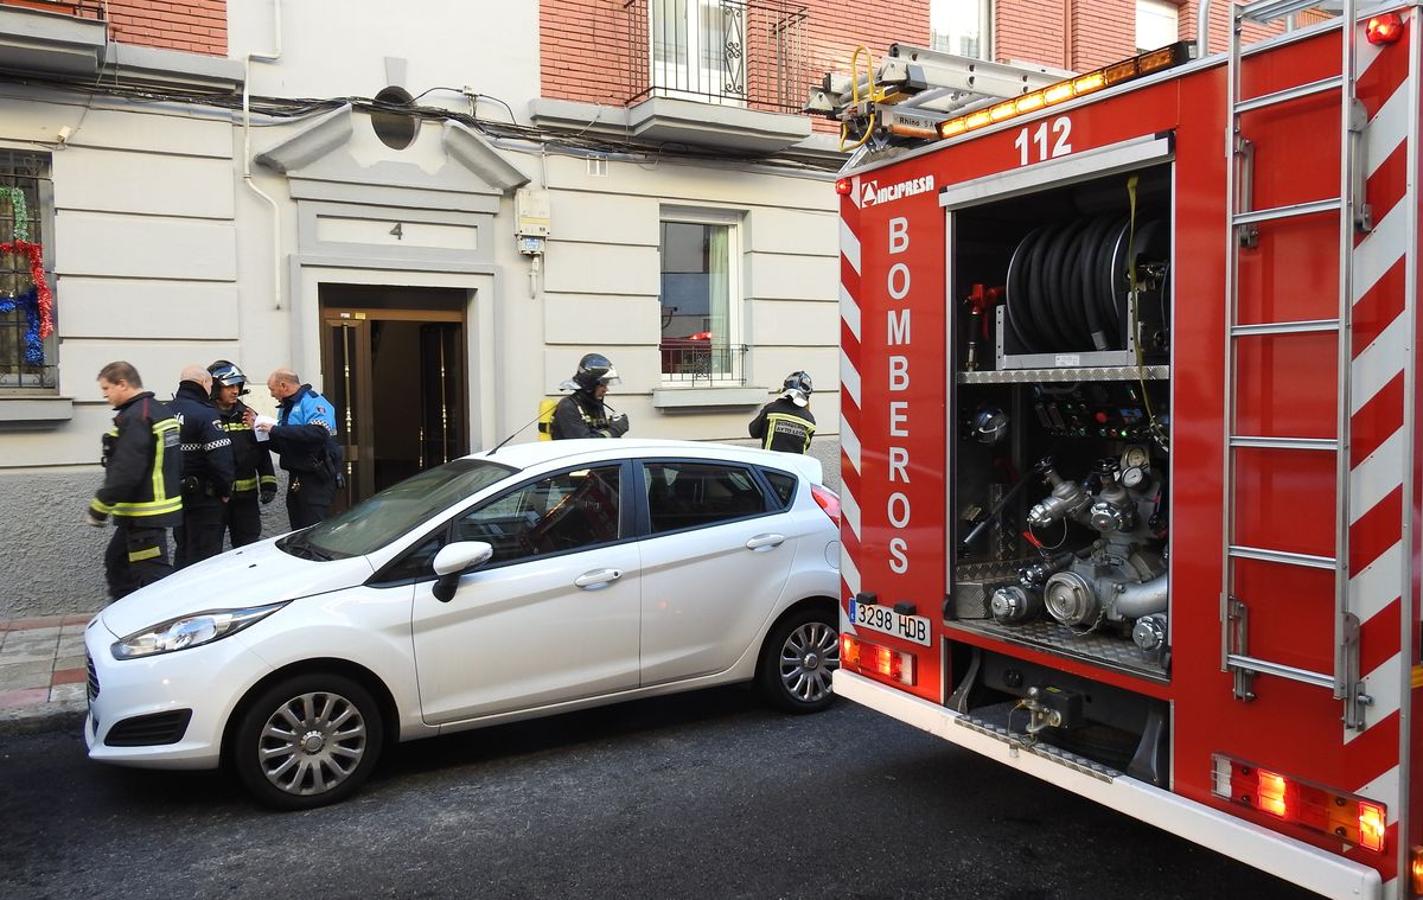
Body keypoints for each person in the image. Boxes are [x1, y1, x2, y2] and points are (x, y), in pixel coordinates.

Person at [86, 361, 182, 600]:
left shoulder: (137, 416)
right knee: (117, 563)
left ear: (123, 384)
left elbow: (126, 469)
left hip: (144, 513)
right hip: (147, 511)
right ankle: (122, 619)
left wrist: (99, 507)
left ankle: (167, 622)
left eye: (107, 389)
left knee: (151, 576)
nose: (105, 395)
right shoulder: (159, 410)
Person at [257, 368, 340, 529]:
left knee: (314, 530)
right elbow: (286, 445)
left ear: (283, 385)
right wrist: (260, 433)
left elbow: (318, 432)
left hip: (316, 477)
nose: (271, 394)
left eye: (272, 389)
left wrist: (275, 430)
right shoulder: (285, 408)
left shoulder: (313, 401)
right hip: (296, 476)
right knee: (298, 529)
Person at [171, 365, 235, 567]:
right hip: (204, 499)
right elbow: (220, 458)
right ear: (204, 384)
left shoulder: (165, 411)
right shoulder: (205, 414)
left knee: (183, 549)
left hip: (175, 496)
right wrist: (225, 489)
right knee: (205, 559)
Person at [208, 360, 276, 548]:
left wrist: (268, 483)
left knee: (248, 547)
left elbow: (262, 451)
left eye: (238, 385)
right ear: (214, 388)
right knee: (211, 549)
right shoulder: (206, 417)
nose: (235, 391)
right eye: (229, 386)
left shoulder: (249, 415)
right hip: (215, 499)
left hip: (246, 501)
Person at [550, 353, 630, 440]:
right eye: (602, 385)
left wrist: (613, 423)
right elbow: (585, 444)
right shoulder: (568, 407)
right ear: (590, 385)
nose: (606, 389)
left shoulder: (593, 404)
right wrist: (615, 430)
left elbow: (600, 435)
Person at [749, 371, 816, 454]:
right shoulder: (810, 420)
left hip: (771, 464)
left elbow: (753, 431)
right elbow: (806, 445)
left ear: (785, 388)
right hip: (794, 466)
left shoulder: (771, 409)